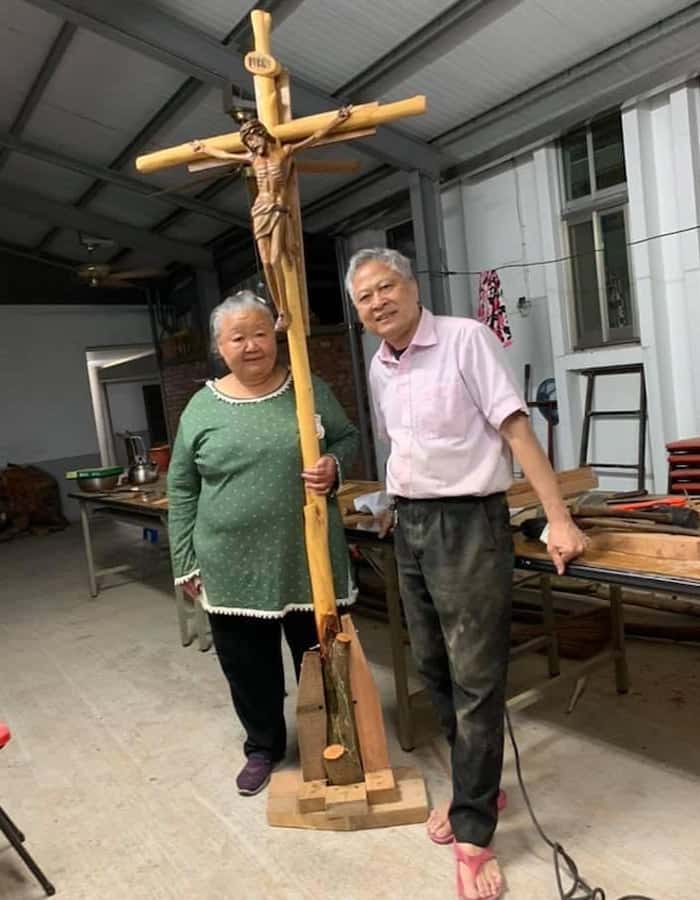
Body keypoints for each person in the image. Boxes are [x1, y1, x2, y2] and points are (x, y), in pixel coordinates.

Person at [345, 248, 586, 900]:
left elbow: (516, 432)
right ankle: (474, 789)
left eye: (385, 286)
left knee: (478, 684)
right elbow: (406, 445)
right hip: (413, 527)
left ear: (412, 284)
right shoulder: (379, 365)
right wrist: (397, 503)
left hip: (472, 524)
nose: (376, 302)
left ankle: (475, 834)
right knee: (436, 673)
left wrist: (558, 518)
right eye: (363, 296)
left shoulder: (465, 340)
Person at [167, 290, 359, 796]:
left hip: (307, 556)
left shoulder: (307, 388)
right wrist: (184, 559)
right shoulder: (201, 407)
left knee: (318, 655)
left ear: (274, 336)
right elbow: (182, 486)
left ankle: (334, 740)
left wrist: (334, 466)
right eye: (238, 337)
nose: (252, 346)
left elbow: (348, 437)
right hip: (230, 565)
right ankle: (263, 746)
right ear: (219, 346)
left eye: (259, 333)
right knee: (247, 665)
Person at [190, 107, 351, 331]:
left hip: (279, 209)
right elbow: (225, 156)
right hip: (260, 210)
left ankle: (284, 309)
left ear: (261, 133)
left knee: (275, 259)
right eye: (249, 143)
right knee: (265, 262)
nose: (254, 146)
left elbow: (313, 138)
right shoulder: (252, 159)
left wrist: (337, 120)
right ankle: (281, 310)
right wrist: (204, 148)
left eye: (254, 139)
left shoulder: (284, 152)